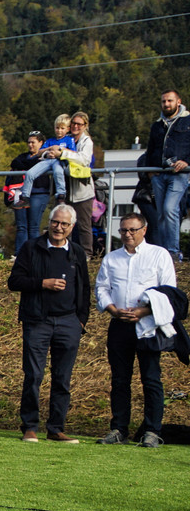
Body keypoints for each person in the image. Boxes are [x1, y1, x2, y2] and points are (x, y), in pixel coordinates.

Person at [7, 204, 90, 443]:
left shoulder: (76, 252)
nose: (59, 227)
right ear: (49, 222)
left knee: (62, 378)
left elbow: (85, 289)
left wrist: (80, 321)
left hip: (69, 323)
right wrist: (43, 283)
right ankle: (30, 426)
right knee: (33, 375)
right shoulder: (31, 248)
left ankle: (56, 427)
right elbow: (14, 281)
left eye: (64, 224)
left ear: (71, 227)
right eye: (55, 222)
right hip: (37, 321)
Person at [95, 212, 176, 448]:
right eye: (123, 230)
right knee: (120, 380)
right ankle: (119, 428)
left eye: (132, 230)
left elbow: (168, 291)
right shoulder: (112, 258)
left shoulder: (159, 255)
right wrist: (112, 309)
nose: (127, 235)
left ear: (144, 230)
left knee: (151, 379)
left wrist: (143, 312)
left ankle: (152, 431)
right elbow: (102, 287)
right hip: (120, 325)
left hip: (148, 326)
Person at [145, 90, 190, 262]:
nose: (166, 104)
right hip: (158, 174)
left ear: (178, 101)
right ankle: (163, 252)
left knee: (170, 209)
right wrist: (149, 171)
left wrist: (186, 161)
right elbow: (150, 149)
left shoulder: (187, 121)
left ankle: (173, 251)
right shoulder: (157, 125)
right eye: (163, 101)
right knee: (161, 214)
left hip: (179, 174)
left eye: (170, 101)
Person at [46, 112, 94, 252]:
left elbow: (84, 159)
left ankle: (87, 254)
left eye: (79, 124)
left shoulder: (86, 142)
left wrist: (63, 153)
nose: (76, 126)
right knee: (62, 224)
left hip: (81, 191)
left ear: (85, 126)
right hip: (64, 190)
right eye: (73, 123)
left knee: (83, 225)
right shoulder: (65, 139)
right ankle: (63, 251)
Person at [12, 115, 75, 212]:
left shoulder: (69, 140)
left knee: (58, 173)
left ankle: (61, 195)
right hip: (47, 161)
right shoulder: (51, 141)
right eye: (57, 128)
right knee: (30, 173)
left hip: (59, 161)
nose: (59, 131)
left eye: (62, 128)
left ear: (67, 129)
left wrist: (59, 151)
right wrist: (49, 150)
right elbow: (39, 152)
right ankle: (25, 197)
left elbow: (72, 152)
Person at [8, 131, 52, 253]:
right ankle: (20, 253)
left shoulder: (46, 157)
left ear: (41, 143)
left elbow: (30, 164)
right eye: (29, 142)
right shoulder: (23, 156)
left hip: (39, 192)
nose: (30, 145)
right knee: (21, 226)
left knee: (33, 226)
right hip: (22, 194)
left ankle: (35, 253)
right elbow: (15, 162)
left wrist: (26, 166)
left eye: (33, 142)